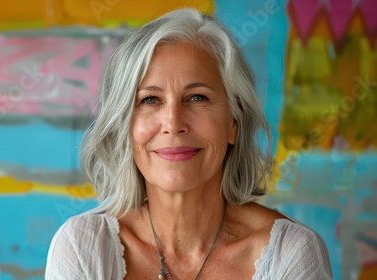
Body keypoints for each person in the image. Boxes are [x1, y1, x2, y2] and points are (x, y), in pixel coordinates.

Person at [45, 8, 332, 280]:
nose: (173, 122)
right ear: (126, 128)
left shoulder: (291, 253)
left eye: (197, 97)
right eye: (150, 100)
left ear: (233, 123)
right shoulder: (82, 246)